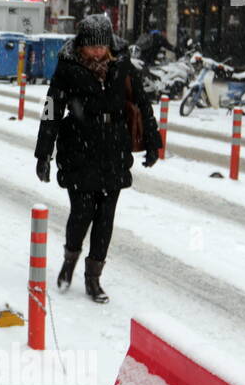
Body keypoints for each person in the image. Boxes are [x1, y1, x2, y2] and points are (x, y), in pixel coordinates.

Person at [34, 15, 161, 303]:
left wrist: (153, 144)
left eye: (102, 46)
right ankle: (70, 260)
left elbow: (142, 104)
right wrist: (44, 153)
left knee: (105, 219)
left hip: (114, 149)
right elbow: (52, 110)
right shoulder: (68, 68)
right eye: (91, 47)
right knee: (82, 213)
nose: (97, 52)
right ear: (81, 45)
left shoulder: (122, 66)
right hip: (79, 148)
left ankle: (94, 279)